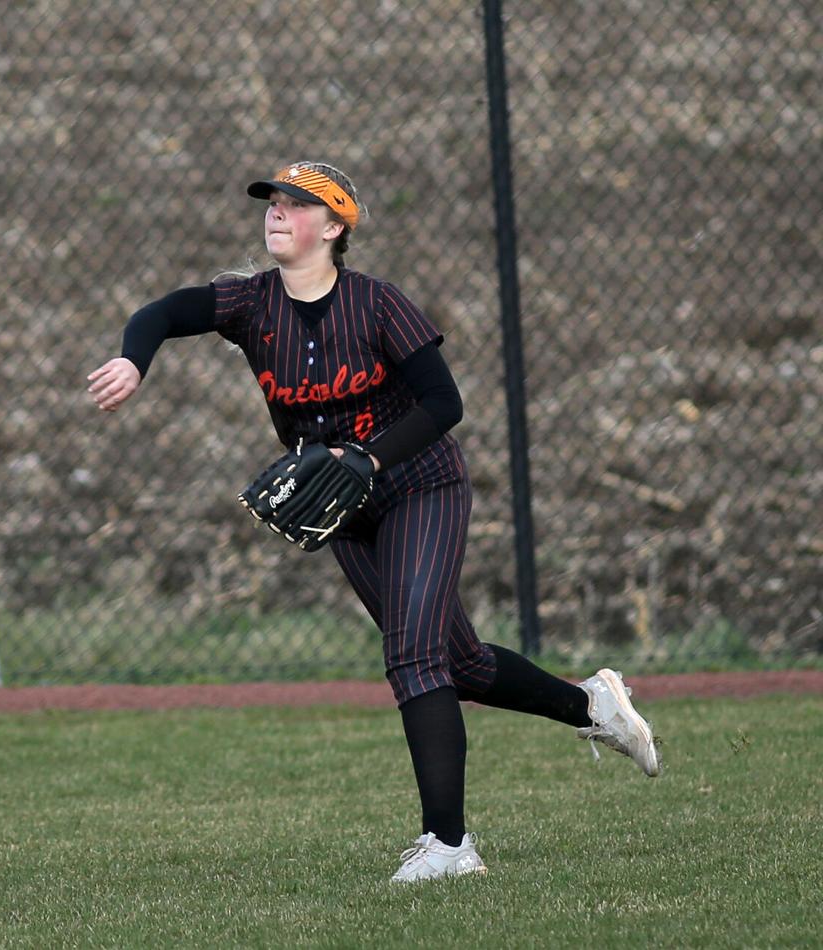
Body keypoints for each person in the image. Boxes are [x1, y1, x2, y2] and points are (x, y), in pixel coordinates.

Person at [87, 162, 661, 883]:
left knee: (413, 658)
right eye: (273, 201)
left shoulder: (379, 304)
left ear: (334, 227)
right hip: (344, 509)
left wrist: (369, 457)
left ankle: (449, 847)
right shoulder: (250, 303)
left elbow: (443, 405)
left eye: (299, 204)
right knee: (460, 663)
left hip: (421, 486)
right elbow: (164, 314)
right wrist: (133, 362)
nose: (277, 212)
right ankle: (591, 704)